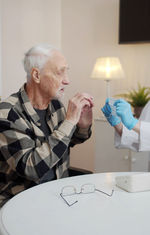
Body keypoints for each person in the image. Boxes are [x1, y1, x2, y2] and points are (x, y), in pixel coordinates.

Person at [0, 44, 93, 207]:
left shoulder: (56, 105)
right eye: (60, 72)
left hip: (58, 195)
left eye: (67, 71)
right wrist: (70, 121)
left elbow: (66, 142)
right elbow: (32, 168)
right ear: (36, 75)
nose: (67, 80)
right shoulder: (7, 113)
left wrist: (82, 126)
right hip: (20, 203)